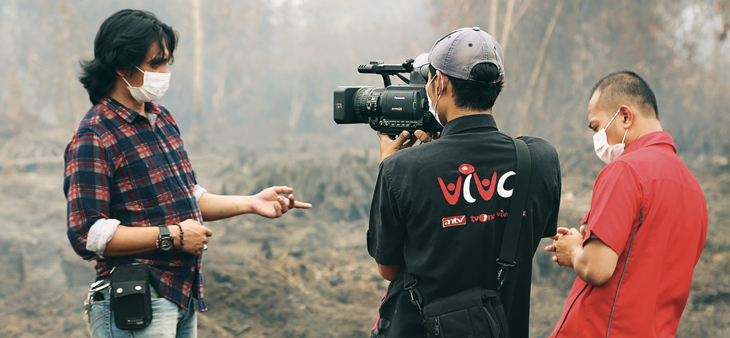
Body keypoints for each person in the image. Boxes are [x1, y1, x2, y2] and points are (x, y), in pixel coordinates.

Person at [64, 9, 311, 338]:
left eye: (167, 62)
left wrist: (251, 202)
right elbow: (88, 234)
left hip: (180, 294)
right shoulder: (95, 134)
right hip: (135, 299)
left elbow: (187, 197)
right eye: (155, 64)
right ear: (122, 66)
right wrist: (173, 237)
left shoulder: (161, 119)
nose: (164, 72)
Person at [367, 27, 561, 338]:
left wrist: (390, 163)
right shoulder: (540, 159)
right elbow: (528, 235)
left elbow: (388, 269)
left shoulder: (401, 169)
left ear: (439, 82)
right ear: (498, 85)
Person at [545, 71, 707, 337]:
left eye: (596, 127)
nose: (597, 138)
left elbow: (597, 268)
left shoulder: (626, 170)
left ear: (624, 116)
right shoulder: (693, 189)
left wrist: (574, 252)